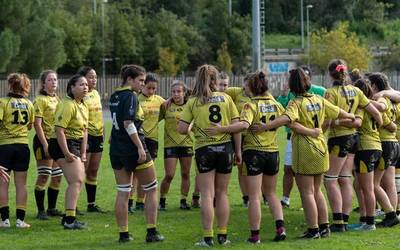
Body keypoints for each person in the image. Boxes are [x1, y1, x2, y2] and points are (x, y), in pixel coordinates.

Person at [261, 67, 355, 239]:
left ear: (292, 85)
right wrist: (351, 116)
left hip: (305, 149)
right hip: (321, 147)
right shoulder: (319, 99)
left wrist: (265, 126)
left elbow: (287, 119)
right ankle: (324, 226)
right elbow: (336, 111)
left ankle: (313, 230)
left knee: (307, 192)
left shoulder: (295, 103)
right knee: (317, 190)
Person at [205, 71, 290, 243]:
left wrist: (221, 128)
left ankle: (255, 236)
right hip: (273, 152)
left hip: (254, 153)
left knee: (254, 197)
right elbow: (288, 120)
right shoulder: (275, 103)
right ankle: (280, 228)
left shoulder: (250, 105)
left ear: (251, 87)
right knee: (272, 194)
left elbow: (243, 125)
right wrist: (269, 126)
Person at [178, 64, 241, 247]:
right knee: (222, 193)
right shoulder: (227, 98)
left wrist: (192, 126)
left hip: (204, 149)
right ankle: (223, 236)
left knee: (206, 194)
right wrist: (238, 152)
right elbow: (236, 127)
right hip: (225, 149)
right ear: (215, 80)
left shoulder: (193, 101)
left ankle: (208, 238)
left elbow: (182, 129)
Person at [324, 59, 381, 232]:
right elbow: (376, 112)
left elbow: (328, 121)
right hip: (354, 140)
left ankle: (339, 221)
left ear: (330, 74)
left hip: (338, 139)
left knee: (330, 180)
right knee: (346, 178)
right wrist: (375, 127)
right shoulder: (356, 91)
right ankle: (346, 218)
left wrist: (327, 128)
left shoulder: (330, 93)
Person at [109, 64, 164, 243]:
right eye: (140, 80)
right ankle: (151, 232)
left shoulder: (114, 95)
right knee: (152, 188)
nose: (142, 84)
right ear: (130, 79)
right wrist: (140, 147)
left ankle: (123, 234)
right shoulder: (131, 96)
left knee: (123, 192)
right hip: (133, 148)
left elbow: (117, 121)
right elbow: (128, 123)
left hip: (116, 150)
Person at [276, 65, 326, 208]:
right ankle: (286, 198)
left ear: (308, 78)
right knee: (288, 169)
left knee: (310, 187)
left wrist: (318, 131)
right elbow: (283, 111)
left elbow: (287, 119)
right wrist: (284, 95)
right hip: (294, 138)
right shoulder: (292, 94)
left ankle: (314, 223)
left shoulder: (320, 92)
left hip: (309, 140)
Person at [48, 74, 88, 229]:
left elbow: (84, 130)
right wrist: (66, 152)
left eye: (86, 85)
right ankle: (69, 220)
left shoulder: (83, 104)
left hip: (75, 144)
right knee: (76, 180)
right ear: (72, 87)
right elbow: (59, 130)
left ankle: (68, 217)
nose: (85, 87)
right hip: (61, 144)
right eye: (81, 85)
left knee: (78, 180)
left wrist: (83, 152)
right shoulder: (67, 104)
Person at [0, 73, 34, 228]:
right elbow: (29, 126)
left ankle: (4, 220)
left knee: (2, 185)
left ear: (10, 85)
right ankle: (20, 221)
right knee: (21, 185)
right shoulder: (29, 104)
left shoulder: (3, 102)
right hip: (22, 147)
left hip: (5, 147)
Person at [351, 78, 384, 231]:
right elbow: (381, 119)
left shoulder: (360, 107)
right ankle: (365, 219)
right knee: (361, 185)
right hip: (377, 145)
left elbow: (356, 123)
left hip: (365, 149)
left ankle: (370, 223)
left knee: (367, 188)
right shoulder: (372, 106)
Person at [368, 72, 400, 227]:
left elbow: (382, 110)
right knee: (390, 183)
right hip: (394, 143)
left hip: (385, 143)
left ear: (374, 85)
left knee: (373, 184)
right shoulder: (394, 101)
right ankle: (392, 214)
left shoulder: (382, 99)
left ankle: (390, 214)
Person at [131, 73, 165, 212]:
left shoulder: (160, 101)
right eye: (149, 88)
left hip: (153, 141)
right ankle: (129, 201)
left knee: (146, 173)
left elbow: (169, 110)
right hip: (138, 139)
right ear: (143, 85)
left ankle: (140, 202)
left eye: (154, 89)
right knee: (134, 173)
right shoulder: (136, 99)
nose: (151, 91)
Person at [33, 70, 63, 220]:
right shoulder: (39, 100)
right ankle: (41, 211)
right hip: (42, 141)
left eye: (55, 80)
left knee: (57, 177)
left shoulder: (57, 99)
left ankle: (52, 208)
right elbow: (37, 125)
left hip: (56, 141)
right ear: (43, 83)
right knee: (44, 175)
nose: (54, 82)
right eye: (50, 80)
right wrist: (45, 145)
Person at [159, 81, 193, 210]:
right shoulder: (165, 106)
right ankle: (162, 201)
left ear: (184, 93)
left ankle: (183, 201)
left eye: (179, 91)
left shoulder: (190, 106)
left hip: (186, 144)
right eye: (173, 92)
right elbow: (154, 120)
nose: (176, 94)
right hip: (170, 145)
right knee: (169, 175)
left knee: (185, 174)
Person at [78, 67, 106, 213]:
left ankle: (91, 204)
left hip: (98, 135)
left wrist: (104, 132)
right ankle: (73, 206)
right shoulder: (80, 95)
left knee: (93, 170)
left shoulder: (95, 93)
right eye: (90, 77)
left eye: (95, 77)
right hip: (85, 137)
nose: (94, 80)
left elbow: (100, 115)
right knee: (81, 171)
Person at [224, 74, 252, 207]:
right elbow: (217, 90)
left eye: (251, 84)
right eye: (247, 84)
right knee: (241, 168)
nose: (248, 87)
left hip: (253, 136)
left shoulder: (258, 95)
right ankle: (246, 197)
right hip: (238, 135)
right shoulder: (236, 92)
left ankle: (261, 194)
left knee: (254, 167)